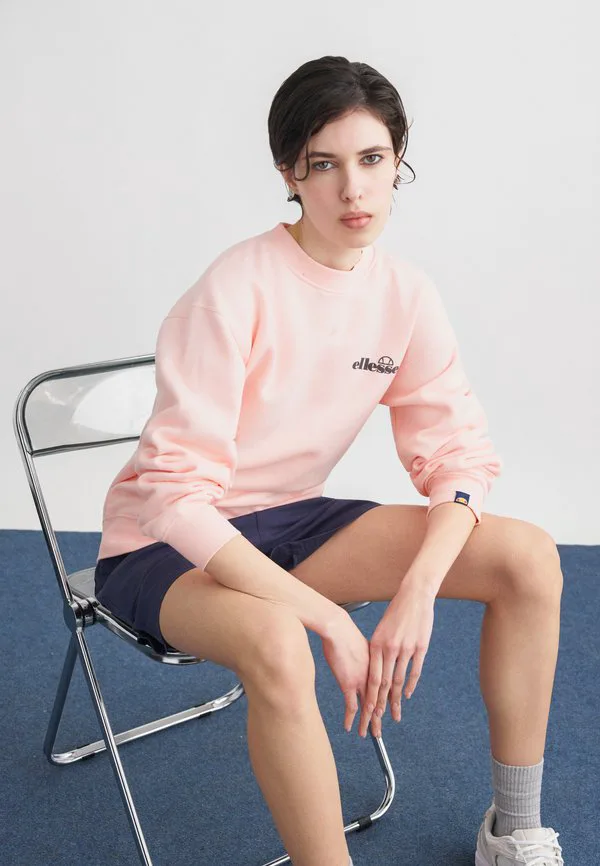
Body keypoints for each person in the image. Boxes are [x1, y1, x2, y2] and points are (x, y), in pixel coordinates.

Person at [94, 56, 565, 866]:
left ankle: (514, 830)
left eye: (372, 159)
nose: (354, 189)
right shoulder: (233, 289)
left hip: (292, 521)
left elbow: (457, 453)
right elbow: (174, 498)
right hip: (163, 546)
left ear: (397, 162)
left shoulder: (404, 294)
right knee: (281, 640)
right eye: (325, 165)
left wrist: (417, 589)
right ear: (290, 174)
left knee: (527, 558)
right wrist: (325, 619)